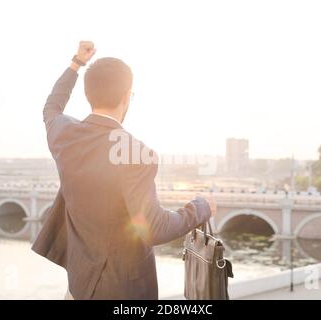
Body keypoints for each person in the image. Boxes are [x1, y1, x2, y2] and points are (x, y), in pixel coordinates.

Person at [42, 41, 214, 300]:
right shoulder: (136, 154)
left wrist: (76, 63)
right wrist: (201, 207)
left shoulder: (64, 134)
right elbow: (155, 228)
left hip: (78, 285)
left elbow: (52, 106)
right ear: (126, 97)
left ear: (89, 95)